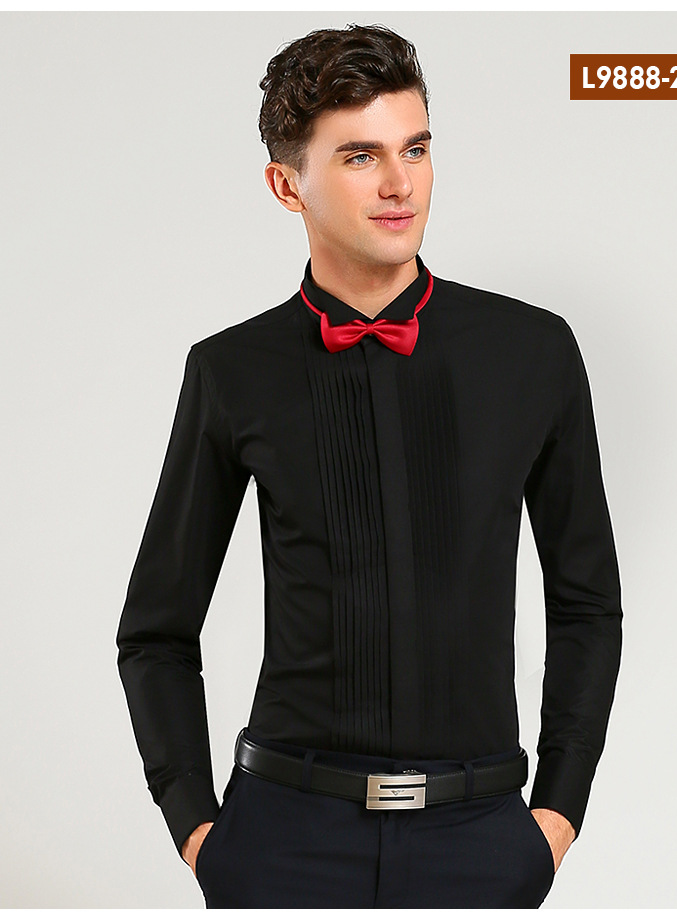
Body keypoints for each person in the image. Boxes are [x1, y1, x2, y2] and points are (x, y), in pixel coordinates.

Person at [116, 23, 623, 909]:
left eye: (415, 148)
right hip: (283, 840)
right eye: (360, 156)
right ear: (287, 185)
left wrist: (556, 813)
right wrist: (198, 827)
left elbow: (587, 603)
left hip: (482, 840)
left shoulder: (532, 351)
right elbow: (156, 629)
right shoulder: (232, 371)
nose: (400, 184)